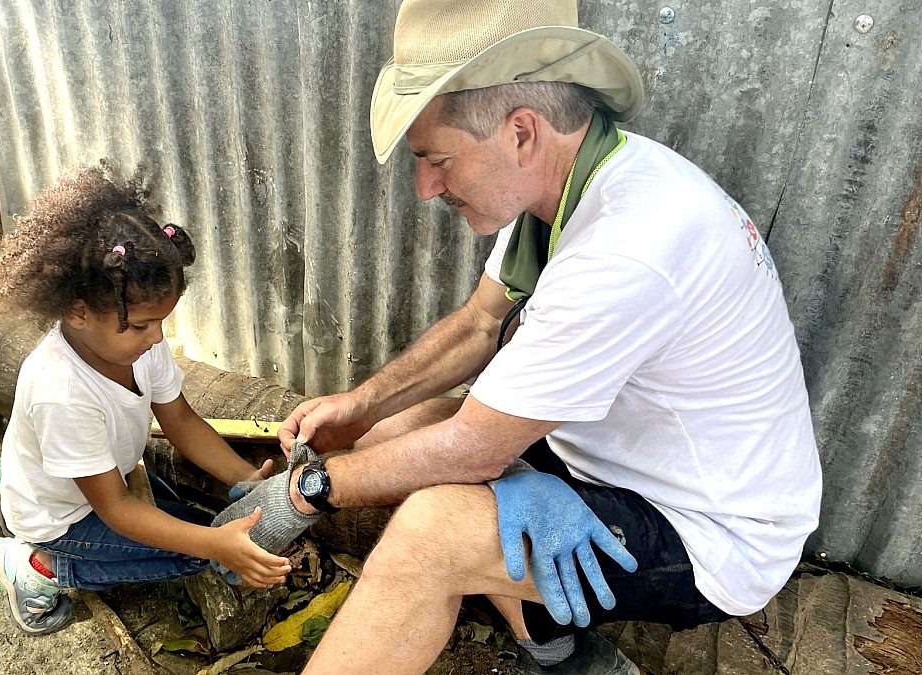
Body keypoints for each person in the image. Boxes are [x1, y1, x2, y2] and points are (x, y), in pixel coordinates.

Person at [217, 0, 823, 672]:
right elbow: (481, 323)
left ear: (521, 133)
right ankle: (552, 640)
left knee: (431, 533)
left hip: (711, 528)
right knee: (407, 428)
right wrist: (362, 404)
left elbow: (474, 448)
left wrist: (307, 492)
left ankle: (536, 617)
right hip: (619, 457)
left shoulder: (628, 249)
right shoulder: (564, 179)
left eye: (435, 159)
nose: (424, 188)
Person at [0, 165, 290, 636]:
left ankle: (8, 482)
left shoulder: (135, 343)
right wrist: (214, 545)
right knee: (195, 555)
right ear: (76, 311)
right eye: (142, 325)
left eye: (161, 321)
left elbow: (181, 421)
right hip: (68, 520)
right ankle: (31, 564)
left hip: (101, 484)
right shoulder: (61, 392)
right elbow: (118, 511)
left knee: (200, 529)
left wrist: (244, 476)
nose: (157, 336)